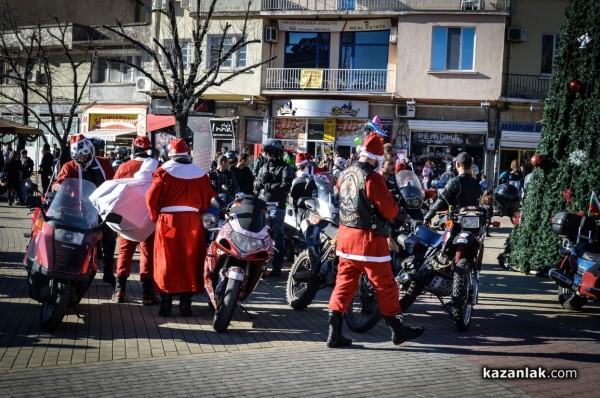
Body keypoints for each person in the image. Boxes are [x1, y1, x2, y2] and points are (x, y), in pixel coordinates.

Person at [327, 132, 424, 348]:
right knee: (387, 286)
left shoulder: (345, 174)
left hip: (345, 240)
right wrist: (398, 210)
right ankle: (397, 330)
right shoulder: (373, 178)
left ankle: (334, 333)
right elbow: (389, 211)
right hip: (368, 243)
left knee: (343, 285)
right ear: (377, 157)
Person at [146, 138, 215, 316]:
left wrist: (156, 217)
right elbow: (207, 200)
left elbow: (151, 198)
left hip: (168, 221)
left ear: (169, 154)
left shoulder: (163, 172)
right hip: (192, 221)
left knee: (166, 261)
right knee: (190, 261)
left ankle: (166, 305)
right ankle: (186, 305)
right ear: (187, 153)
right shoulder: (201, 173)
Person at [53, 134, 117, 287]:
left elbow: (113, 180)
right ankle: (77, 270)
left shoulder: (104, 163)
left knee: (109, 237)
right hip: (80, 211)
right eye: (78, 157)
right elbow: (61, 179)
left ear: (91, 151)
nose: (81, 160)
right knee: (81, 242)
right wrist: (58, 185)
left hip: (103, 208)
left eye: (84, 156)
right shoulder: (69, 166)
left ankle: (108, 271)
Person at [112, 136, 159, 306]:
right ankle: (147, 294)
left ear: (133, 149)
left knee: (125, 253)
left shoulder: (124, 167)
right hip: (148, 218)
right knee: (147, 254)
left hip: (127, 218)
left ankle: (119, 291)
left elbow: (115, 192)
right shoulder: (156, 168)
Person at [254, 139, 294, 277]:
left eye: (270, 153)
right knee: (258, 236)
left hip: (276, 206)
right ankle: (259, 267)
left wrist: (268, 185)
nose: (268, 156)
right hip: (261, 204)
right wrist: (260, 181)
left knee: (277, 236)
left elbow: (286, 186)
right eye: (267, 153)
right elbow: (256, 184)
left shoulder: (285, 167)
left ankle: (277, 267)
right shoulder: (263, 166)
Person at [424, 152, 481, 225]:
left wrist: (427, 217)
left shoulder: (454, 182)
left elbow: (441, 201)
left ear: (457, 164)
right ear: (470, 166)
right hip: (473, 223)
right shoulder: (476, 183)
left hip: (457, 223)